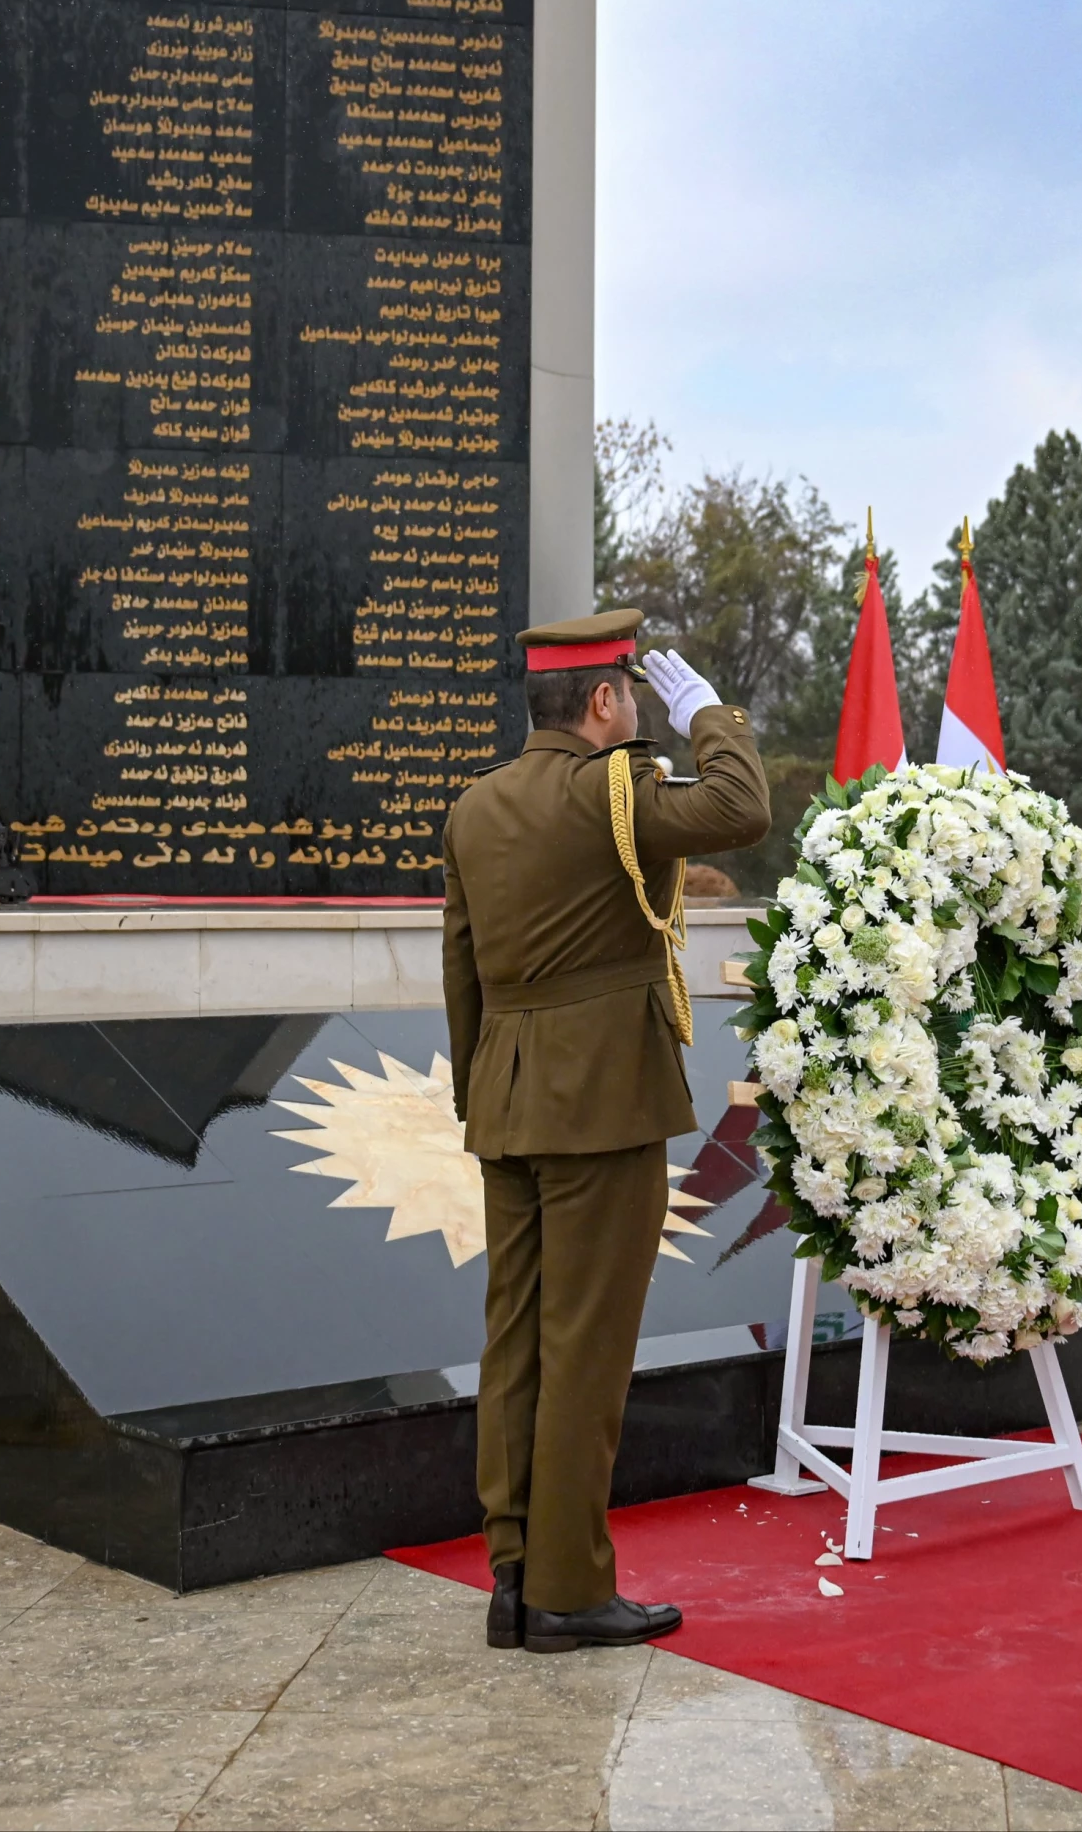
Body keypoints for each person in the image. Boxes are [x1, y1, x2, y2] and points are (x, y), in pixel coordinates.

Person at [442, 609, 769, 1653]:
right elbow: (742, 807)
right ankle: (569, 1590)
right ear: (601, 702)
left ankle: (513, 1575)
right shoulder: (609, 790)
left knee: (518, 1341)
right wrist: (711, 716)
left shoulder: (477, 806)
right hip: (604, 1101)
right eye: (630, 692)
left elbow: (463, 971)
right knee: (586, 1350)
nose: (637, 708)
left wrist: (479, 1090)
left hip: (507, 1096)